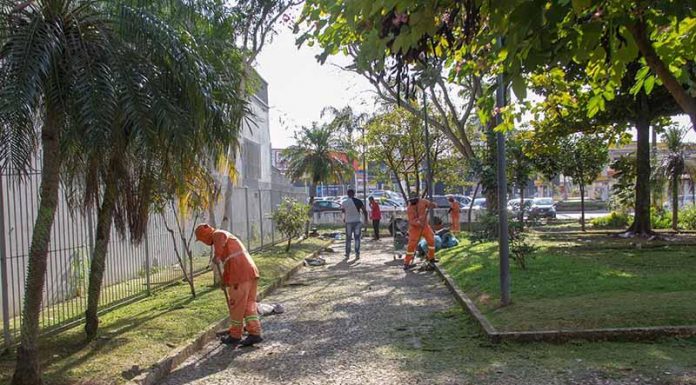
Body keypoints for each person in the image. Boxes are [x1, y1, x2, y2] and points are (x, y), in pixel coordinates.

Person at [194, 224, 262, 347]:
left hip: (240, 274)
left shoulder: (218, 234)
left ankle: (235, 335)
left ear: (204, 235)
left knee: (236, 305)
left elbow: (221, 240)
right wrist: (224, 281)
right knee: (248, 305)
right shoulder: (226, 242)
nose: (203, 242)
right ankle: (255, 333)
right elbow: (228, 264)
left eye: (202, 239)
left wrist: (217, 256)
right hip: (251, 272)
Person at [404, 191, 437, 270]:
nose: (412, 202)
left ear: (417, 199)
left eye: (413, 200)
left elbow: (432, 205)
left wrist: (432, 205)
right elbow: (411, 220)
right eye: (411, 201)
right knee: (411, 246)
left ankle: (431, 258)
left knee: (431, 240)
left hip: (425, 227)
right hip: (414, 229)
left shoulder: (423, 201)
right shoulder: (409, 208)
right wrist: (418, 222)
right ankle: (406, 263)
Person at [341, 189, 368, 259]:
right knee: (357, 239)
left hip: (348, 222)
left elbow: (343, 212)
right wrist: (366, 220)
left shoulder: (344, 202)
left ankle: (347, 254)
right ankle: (357, 253)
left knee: (348, 239)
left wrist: (344, 219)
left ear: (347, 194)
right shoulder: (359, 201)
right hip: (357, 222)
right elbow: (364, 211)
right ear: (354, 194)